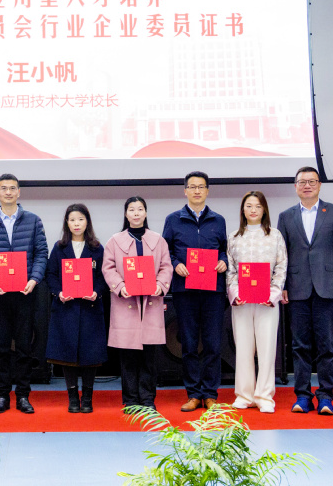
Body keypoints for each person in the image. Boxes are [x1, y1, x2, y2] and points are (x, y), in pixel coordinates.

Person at [277, 166, 333, 416]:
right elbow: (281, 255)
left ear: (319, 185)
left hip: (327, 287)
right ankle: (302, 396)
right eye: (302, 182)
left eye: (312, 181)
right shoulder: (285, 216)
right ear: (295, 187)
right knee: (299, 346)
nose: (307, 185)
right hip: (296, 288)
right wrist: (283, 286)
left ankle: (326, 396)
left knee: (327, 345)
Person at [0, 174, 49, 414]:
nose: (8, 192)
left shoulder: (33, 220)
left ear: (19, 192)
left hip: (25, 293)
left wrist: (34, 279)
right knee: (0, 347)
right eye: (4, 188)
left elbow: (41, 253)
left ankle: (23, 395)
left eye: (12, 188)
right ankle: (2, 395)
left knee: (24, 347)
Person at [161, 171, 228, 411]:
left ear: (207, 191)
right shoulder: (173, 219)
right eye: (192, 187)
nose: (197, 191)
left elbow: (224, 249)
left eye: (201, 187)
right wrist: (175, 263)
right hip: (185, 289)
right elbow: (165, 251)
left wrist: (223, 261)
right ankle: (193, 394)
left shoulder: (218, 220)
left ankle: (210, 394)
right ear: (185, 191)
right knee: (188, 343)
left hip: (213, 290)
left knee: (212, 344)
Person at [102, 197, 173, 411]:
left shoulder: (158, 240)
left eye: (140, 209)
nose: (136, 213)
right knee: (128, 355)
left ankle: (148, 399)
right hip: (126, 303)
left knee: (149, 355)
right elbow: (108, 268)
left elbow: (166, 267)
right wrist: (120, 286)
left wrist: (160, 285)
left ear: (145, 213)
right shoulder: (115, 241)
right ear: (126, 214)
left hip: (151, 302)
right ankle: (131, 399)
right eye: (131, 209)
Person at [226, 191, 288, 413]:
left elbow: (281, 266)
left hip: (267, 301)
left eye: (258, 206)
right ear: (243, 210)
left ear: (264, 210)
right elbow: (231, 270)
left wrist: (273, 294)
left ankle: (264, 396)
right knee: (243, 347)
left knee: (267, 348)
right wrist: (235, 293)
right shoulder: (234, 237)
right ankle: (244, 395)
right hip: (242, 301)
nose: (253, 210)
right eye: (249, 206)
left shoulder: (275, 236)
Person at [45, 203, 107, 414]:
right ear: (67, 223)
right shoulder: (59, 247)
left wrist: (97, 292)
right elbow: (51, 274)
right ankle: (72, 398)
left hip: (90, 308)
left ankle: (87, 398)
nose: (76, 224)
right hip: (66, 307)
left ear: (87, 222)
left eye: (80, 219)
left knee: (90, 354)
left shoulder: (97, 248)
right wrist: (59, 292)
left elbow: (104, 276)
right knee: (67, 352)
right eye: (72, 220)